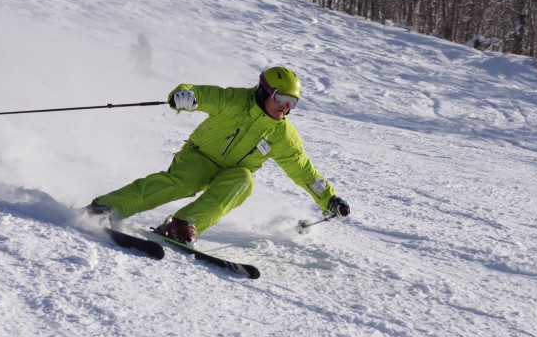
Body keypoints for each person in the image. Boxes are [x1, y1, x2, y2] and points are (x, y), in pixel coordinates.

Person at [85, 66, 350, 245]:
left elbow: (304, 170)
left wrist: (330, 199)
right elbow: (198, 93)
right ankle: (108, 206)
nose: (284, 108)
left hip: (229, 174)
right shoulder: (233, 100)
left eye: (292, 103)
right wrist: (184, 96)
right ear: (265, 91)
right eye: (281, 99)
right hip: (198, 158)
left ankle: (183, 225)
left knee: (244, 181)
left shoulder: (283, 135)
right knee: (182, 183)